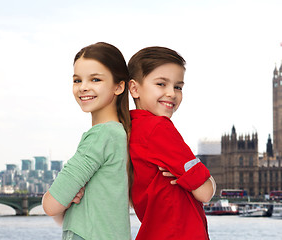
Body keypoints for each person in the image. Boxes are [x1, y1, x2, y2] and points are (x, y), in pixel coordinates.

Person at [42, 42, 132, 240]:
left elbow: (51, 205)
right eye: (77, 80)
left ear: (119, 86)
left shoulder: (100, 136)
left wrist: (62, 197)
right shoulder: (121, 134)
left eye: (95, 79)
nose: (83, 88)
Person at [127, 46, 216, 240]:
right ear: (134, 88)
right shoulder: (159, 128)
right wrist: (204, 177)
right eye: (161, 84)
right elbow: (205, 191)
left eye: (178, 87)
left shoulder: (130, 129)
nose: (172, 93)